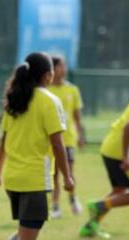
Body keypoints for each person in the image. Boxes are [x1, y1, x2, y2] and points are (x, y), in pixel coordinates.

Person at [0, 52, 74, 240]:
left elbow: (3, 141)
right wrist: (67, 177)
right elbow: (58, 144)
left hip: (13, 180)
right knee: (28, 235)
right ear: (47, 76)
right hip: (33, 181)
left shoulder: (15, 98)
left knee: (25, 232)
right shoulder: (50, 101)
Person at [79, 69, 129, 238]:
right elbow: (128, 127)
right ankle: (99, 205)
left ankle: (89, 227)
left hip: (111, 148)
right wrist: (126, 157)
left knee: (119, 189)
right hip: (118, 152)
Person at [47, 56, 85, 218]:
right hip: (50, 140)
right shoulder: (46, 91)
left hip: (68, 139)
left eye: (65, 66)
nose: (64, 69)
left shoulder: (72, 90)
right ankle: (55, 206)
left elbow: (77, 116)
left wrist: (81, 135)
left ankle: (72, 198)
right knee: (54, 174)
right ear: (53, 70)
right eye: (61, 66)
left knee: (69, 171)